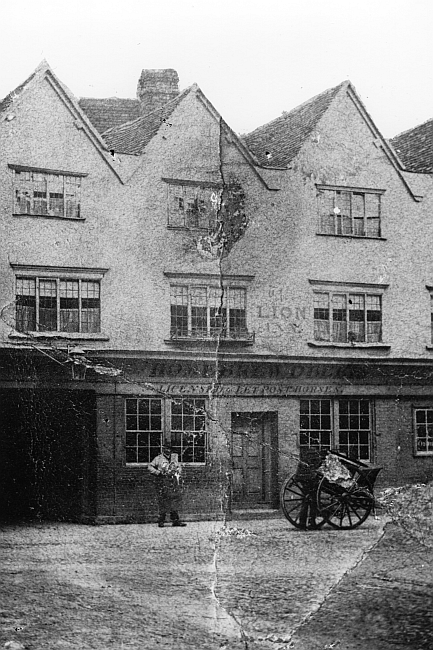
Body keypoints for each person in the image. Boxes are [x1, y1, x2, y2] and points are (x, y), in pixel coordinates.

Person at [148, 442, 186, 527]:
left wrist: (178, 471)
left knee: (174, 500)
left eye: (169, 449)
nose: (168, 450)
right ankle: (161, 521)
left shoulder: (174, 458)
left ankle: (175, 521)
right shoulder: (158, 458)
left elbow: (179, 467)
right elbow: (150, 467)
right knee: (163, 501)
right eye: (166, 448)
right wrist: (158, 472)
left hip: (173, 481)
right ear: (163, 449)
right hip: (163, 481)